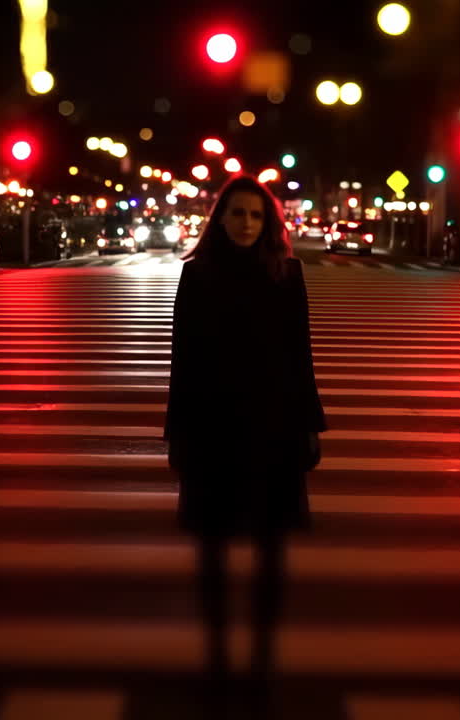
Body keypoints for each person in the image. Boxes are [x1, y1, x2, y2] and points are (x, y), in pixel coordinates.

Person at [163, 175, 327, 714]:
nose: (247, 224)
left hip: (273, 429)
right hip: (212, 430)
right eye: (237, 214)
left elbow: (300, 357)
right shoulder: (197, 275)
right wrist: (177, 434)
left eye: (256, 215)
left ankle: (259, 663)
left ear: (269, 223)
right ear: (220, 219)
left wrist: (310, 428)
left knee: (270, 553)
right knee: (211, 552)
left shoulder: (287, 274)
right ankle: (216, 661)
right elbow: (181, 362)